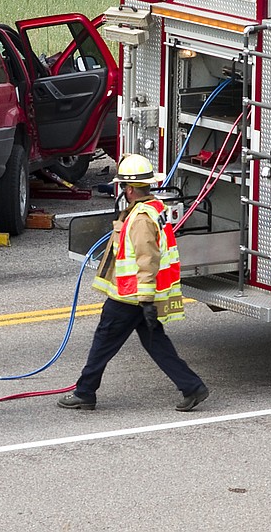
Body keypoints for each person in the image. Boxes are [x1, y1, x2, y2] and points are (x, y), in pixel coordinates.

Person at [58, 154, 209, 412]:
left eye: (123, 188)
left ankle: (85, 392)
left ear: (129, 189)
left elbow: (146, 259)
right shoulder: (154, 208)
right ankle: (192, 387)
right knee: (156, 344)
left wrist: (146, 300)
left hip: (129, 297)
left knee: (103, 342)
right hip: (139, 297)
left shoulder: (140, 219)